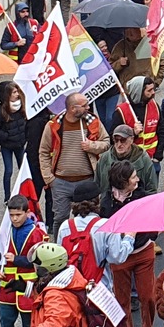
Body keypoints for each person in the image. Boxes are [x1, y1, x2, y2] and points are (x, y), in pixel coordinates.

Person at [100, 160, 159, 327]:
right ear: (123, 181)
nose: (137, 179)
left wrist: (149, 236)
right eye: (133, 177)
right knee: (122, 299)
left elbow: (153, 221)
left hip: (143, 251)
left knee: (148, 296)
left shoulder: (141, 197)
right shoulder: (106, 202)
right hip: (119, 257)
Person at [39, 93, 110, 234]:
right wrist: (49, 178)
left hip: (87, 181)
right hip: (61, 182)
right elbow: (44, 151)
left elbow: (106, 142)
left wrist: (92, 146)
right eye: (84, 105)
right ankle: (60, 249)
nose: (88, 107)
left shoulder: (92, 122)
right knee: (60, 218)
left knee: (88, 218)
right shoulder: (53, 126)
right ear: (72, 108)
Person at [0, 194, 47, 327]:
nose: (14, 218)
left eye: (18, 214)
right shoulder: (5, 231)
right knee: (6, 323)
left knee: (28, 325)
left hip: (26, 289)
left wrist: (16, 259)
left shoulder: (36, 233)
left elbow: (41, 262)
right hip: (7, 288)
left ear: (27, 212)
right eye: (11, 215)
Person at [0, 81, 28, 201]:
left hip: (20, 144)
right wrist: (6, 136)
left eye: (17, 91)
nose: (17, 94)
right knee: (9, 170)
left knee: (23, 170)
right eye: (14, 92)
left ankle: (25, 193)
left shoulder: (22, 105)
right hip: (7, 145)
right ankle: (7, 196)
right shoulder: (1, 110)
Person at [112, 76, 161, 167]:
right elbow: (113, 138)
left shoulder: (154, 106)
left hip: (152, 159)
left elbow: (162, 131)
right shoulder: (121, 111)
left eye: (153, 89)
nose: (153, 93)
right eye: (149, 91)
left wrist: (158, 156)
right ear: (139, 92)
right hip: (130, 162)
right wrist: (133, 132)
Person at [96, 125, 157, 196]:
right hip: (109, 204)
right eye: (116, 140)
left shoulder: (143, 159)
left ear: (132, 139)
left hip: (135, 204)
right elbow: (97, 186)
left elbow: (151, 190)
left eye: (123, 140)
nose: (119, 144)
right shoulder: (104, 158)